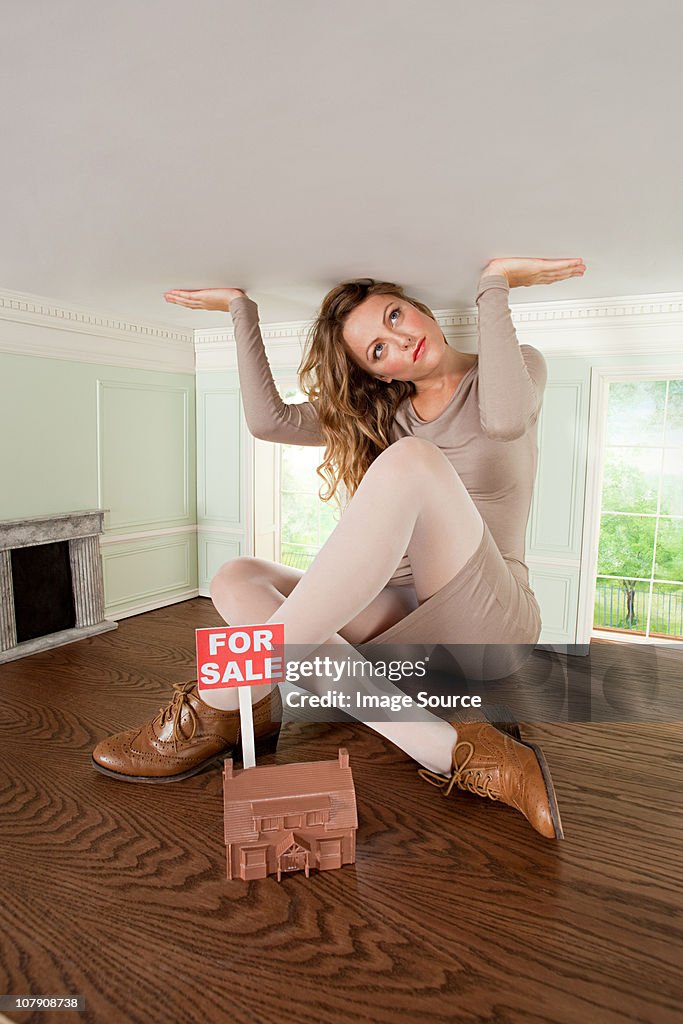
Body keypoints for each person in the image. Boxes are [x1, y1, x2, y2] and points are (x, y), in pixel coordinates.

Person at [92, 256, 586, 840]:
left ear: (419, 308)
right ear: (378, 374)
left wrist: (493, 283)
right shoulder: (386, 414)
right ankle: (438, 745)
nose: (401, 340)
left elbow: (505, 420)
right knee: (234, 578)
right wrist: (238, 310)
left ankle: (224, 696)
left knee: (412, 460)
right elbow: (268, 421)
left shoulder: (514, 369)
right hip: (406, 630)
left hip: (489, 623)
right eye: (378, 350)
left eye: (396, 317)